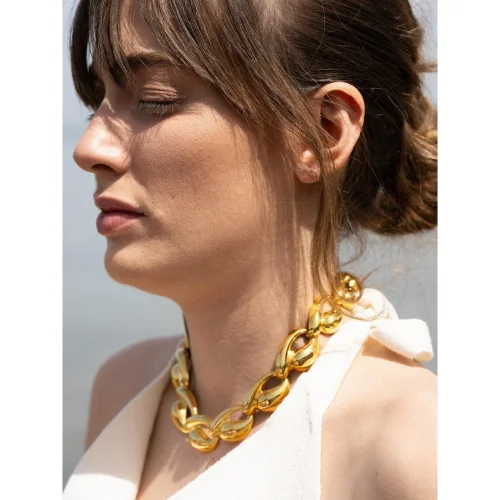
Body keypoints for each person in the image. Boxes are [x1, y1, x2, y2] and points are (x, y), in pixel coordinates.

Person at [64, 0, 437, 498]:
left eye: (154, 99)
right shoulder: (122, 387)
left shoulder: (415, 444)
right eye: (99, 102)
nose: (89, 148)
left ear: (322, 132)